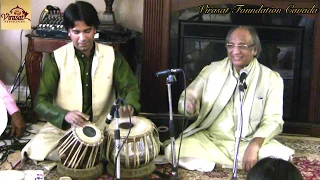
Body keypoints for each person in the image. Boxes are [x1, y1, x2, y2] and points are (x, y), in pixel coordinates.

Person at [21, 1, 140, 162]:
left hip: (104, 126)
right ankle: (94, 155)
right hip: (66, 130)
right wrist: (65, 116)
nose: (82, 38)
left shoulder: (112, 55)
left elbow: (130, 88)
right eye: (76, 32)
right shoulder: (57, 59)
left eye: (87, 31)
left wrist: (129, 105)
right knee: (36, 149)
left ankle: (86, 155)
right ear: (68, 32)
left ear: (95, 30)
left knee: (135, 149)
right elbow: (41, 102)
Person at [164, 26, 294, 172]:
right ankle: (238, 165)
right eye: (231, 45)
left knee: (281, 157)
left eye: (242, 46)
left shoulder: (271, 79)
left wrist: (254, 145)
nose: (235, 51)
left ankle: (216, 165)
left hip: (248, 141)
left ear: (255, 50)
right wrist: (188, 103)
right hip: (211, 140)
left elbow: (274, 120)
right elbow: (190, 94)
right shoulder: (212, 70)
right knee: (173, 150)